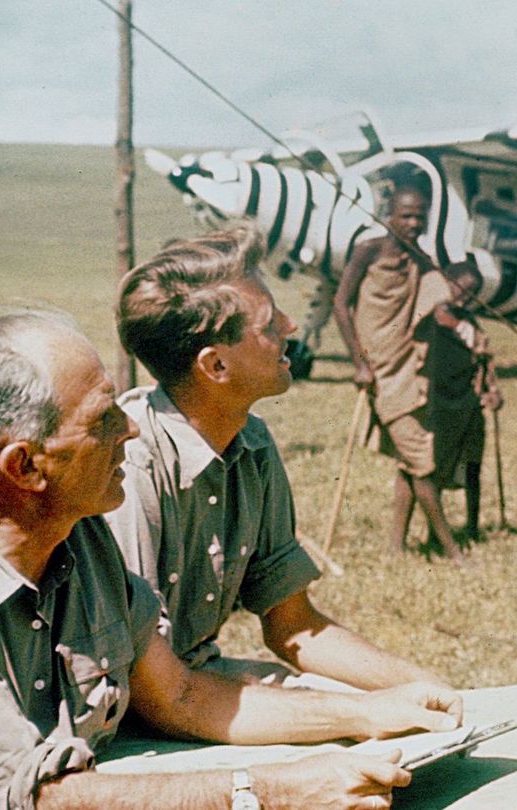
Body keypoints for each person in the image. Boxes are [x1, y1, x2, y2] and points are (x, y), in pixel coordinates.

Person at [0, 312, 458, 809]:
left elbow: (179, 695)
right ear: (24, 466)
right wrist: (267, 794)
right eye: (102, 421)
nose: (130, 427)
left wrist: (366, 715)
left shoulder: (78, 535)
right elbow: (18, 799)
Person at [107, 225, 454, 689]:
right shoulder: (132, 465)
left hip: (187, 686)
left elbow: (294, 625)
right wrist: (351, 714)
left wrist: (423, 686)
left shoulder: (252, 442)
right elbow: (148, 685)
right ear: (216, 366)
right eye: (269, 323)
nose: (290, 326)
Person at [332, 186, 461, 559]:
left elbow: (442, 288)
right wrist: (358, 362)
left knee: (410, 456)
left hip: (409, 366)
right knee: (420, 459)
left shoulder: (418, 257)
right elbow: (341, 304)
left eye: (420, 216)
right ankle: (450, 549)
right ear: (388, 213)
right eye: (406, 216)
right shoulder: (368, 250)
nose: (414, 224)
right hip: (380, 371)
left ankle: (395, 548)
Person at [414, 259, 503, 542]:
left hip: (469, 403)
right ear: (445, 283)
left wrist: (492, 390)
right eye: (459, 289)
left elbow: (484, 359)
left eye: (471, 293)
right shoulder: (428, 318)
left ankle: (473, 528)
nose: (463, 297)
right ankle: (434, 534)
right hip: (438, 403)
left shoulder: (469, 322)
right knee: (436, 467)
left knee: (472, 468)